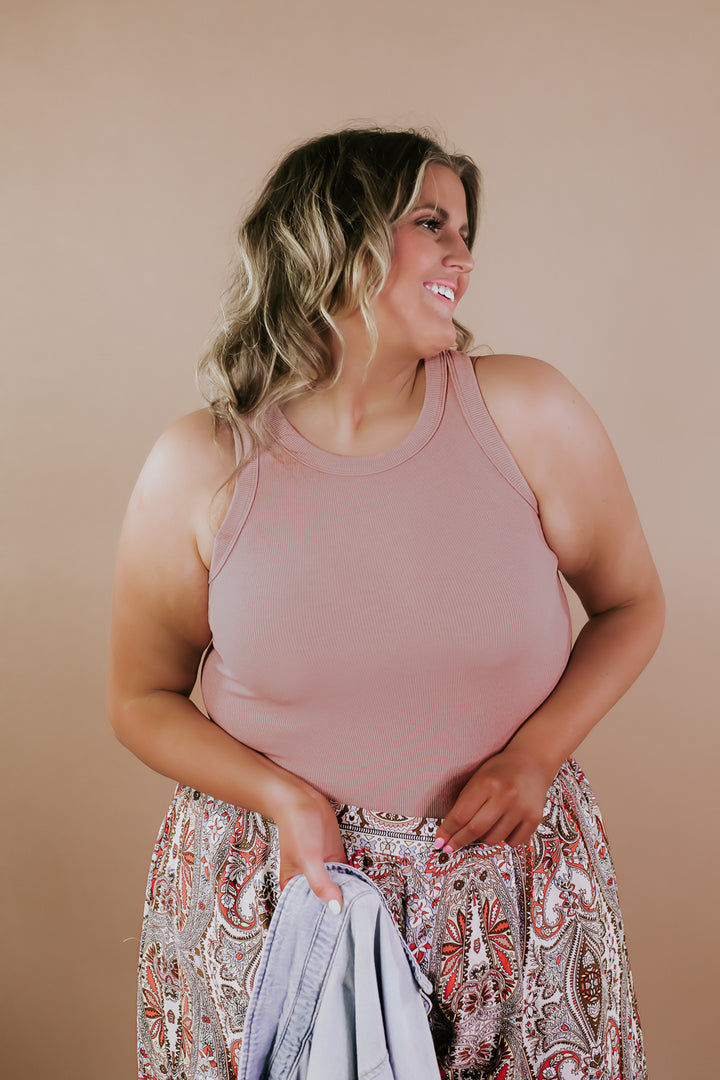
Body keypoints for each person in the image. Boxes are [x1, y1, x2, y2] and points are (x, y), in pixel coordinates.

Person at [107, 127, 664, 1079]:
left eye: (465, 231)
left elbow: (632, 606)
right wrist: (284, 799)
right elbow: (139, 698)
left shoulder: (526, 412)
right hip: (282, 899)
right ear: (334, 237)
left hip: (513, 895)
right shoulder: (201, 464)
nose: (462, 255)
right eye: (430, 223)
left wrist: (536, 754)